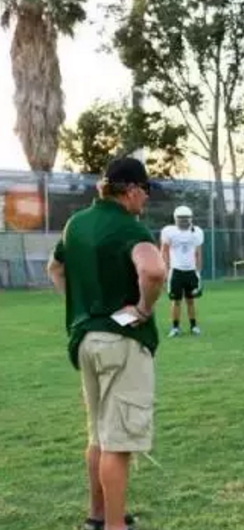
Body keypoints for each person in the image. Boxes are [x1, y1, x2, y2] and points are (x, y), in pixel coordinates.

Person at [47, 157, 166, 530]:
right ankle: (115, 526)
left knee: (98, 434)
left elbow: (55, 268)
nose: (146, 198)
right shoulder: (130, 228)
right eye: (145, 190)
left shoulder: (76, 224)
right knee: (118, 442)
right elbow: (154, 271)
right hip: (121, 341)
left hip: (85, 338)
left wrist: (83, 308)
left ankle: (97, 516)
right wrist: (143, 308)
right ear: (129, 190)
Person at [160, 205, 204, 337]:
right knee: (176, 301)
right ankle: (175, 328)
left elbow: (198, 253)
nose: (184, 221)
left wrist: (198, 272)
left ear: (191, 218)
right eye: (181, 218)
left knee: (191, 300)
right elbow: (164, 252)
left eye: (186, 218)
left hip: (191, 271)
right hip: (176, 271)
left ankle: (194, 326)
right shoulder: (169, 232)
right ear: (175, 218)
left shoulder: (197, 232)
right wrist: (165, 270)